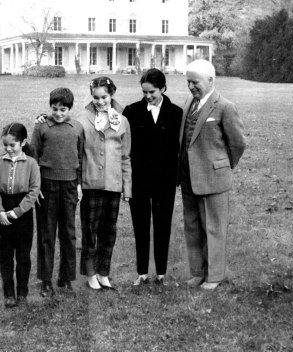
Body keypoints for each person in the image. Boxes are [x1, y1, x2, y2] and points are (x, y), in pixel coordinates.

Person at [178, 59, 246, 290]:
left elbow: (238, 143)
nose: (191, 87)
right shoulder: (189, 103)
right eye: (188, 82)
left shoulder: (225, 107)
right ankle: (198, 273)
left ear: (210, 80)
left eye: (195, 82)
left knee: (214, 228)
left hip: (213, 179)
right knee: (192, 226)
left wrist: (222, 166)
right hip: (188, 178)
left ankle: (214, 276)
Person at [122, 69, 182, 286]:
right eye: (145, 92)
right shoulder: (132, 111)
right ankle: (142, 272)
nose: (148, 96)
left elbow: (179, 147)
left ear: (163, 88)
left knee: (163, 224)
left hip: (165, 180)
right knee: (140, 225)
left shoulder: (176, 113)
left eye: (153, 92)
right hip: (139, 179)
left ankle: (162, 272)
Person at [78, 76, 132, 291]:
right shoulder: (82, 120)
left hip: (113, 184)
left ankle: (103, 272)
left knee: (109, 231)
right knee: (90, 230)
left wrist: (127, 186)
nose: (100, 101)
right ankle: (90, 273)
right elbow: (78, 153)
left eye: (104, 97)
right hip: (91, 182)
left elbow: (126, 156)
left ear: (112, 95)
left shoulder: (122, 120)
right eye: (96, 97)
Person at [30, 87, 84, 297]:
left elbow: (80, 158)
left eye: (63, 109)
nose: (59, 113)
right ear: (50, 107)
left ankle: (66, 278)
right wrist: (37, 186)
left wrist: (78, 183)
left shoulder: (77, 128)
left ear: (70, 108)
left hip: (70, 185)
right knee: (47, 234)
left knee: (68, 234)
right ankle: (45, 279)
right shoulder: (41, 127)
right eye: (55, 109)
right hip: (47, 186)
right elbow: (33, 157)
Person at [0, 123, 41, 307]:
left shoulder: (31, 163)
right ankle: (9, 293)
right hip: (3, 210)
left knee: (23, 255)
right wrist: (0, 211)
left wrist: (17, 212)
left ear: (23, 142)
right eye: (5, 145)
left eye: (13, 145)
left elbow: (34, 191)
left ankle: (22, 292)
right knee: (5, 255)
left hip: (23, 214)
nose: (8, 149)